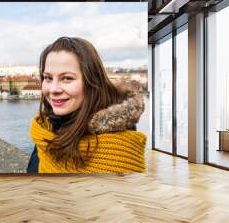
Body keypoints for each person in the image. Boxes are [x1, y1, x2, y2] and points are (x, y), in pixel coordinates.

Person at [27, 36, 146, 173]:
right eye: (48, 78)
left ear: (92, 81)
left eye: (67, 78)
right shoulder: (46, 130)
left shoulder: (120, 148)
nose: (53, 89)